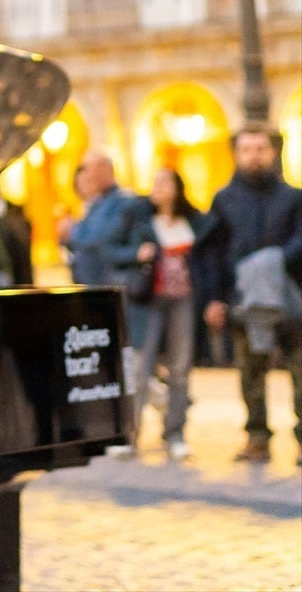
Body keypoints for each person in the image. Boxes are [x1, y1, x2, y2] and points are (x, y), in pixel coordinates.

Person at [202, 122, 302, 465]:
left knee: (300, 371)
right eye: (247, 149)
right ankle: (257, 438)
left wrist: (270, 264)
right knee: (250, 373)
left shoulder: (293, 197)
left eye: (260, 149)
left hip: (291, 300)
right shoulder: (223, 199)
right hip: (242, 300)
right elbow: (213, 252)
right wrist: (215, 298)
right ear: (236, 154)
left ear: (272, 152)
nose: (254, 156)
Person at [128, 168, 217, 461]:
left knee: (180, 369)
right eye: (154, 182)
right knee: (141, 367)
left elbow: (208, 255)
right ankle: (131, 433)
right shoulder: (142, 221)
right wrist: (136, 254)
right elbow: (113, 249)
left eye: (164, 182)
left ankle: (175, 433)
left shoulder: (194, 223)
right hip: (150, 301)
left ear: (177, 188)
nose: (157, 188)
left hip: (184, 301)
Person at [57, 152, 153, 287]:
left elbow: (100, 238)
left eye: (89, 171)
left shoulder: (123, 201)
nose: (88, 177)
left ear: (104, 170)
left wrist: (72, 231)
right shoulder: (96, 204)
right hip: (91, 282)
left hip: (114, 282)